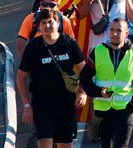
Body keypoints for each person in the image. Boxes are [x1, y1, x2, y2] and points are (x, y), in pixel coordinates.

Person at [17, 10, 85, 148]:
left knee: (65, 144)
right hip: (42, 104)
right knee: (45, 142)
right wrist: (26, 105)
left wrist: (82, 92)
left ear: (58, 23)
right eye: (43, 23)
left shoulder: (69, 43)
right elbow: (21, 77)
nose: (47, 26)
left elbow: (84, 70)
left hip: (65, 102)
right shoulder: (33, 47)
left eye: (50, 22)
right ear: (39, 26)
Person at [80, 18, 133, 148]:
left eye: (119, 30)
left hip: (125, 109)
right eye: (112, 30)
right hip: (104, 110)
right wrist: (98, 92)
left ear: (126, 33)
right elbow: (84, 77)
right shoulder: (98, 51)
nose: (114, 33)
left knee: (121, 145)